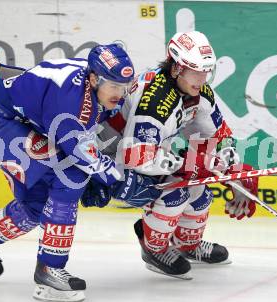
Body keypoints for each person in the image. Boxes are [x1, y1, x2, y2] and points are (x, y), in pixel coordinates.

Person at [0, 44, 161, 301]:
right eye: (114, 86)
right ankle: (49, 271)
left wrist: (117, 171)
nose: (120, 95)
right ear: (95, 78)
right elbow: (82, 155)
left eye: (124, 86)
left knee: (40, 203)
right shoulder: (69, 102)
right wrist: (119, 180)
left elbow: (94, 139)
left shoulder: (91, 87)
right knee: (70, 177)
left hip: (18, 121)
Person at [97, 31, 259, 280]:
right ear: (175, 69)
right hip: (106, 163)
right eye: (195, 71)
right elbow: (135, 158)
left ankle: (187, 244)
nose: (202, 79)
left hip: (143, 154)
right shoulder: (156, 100)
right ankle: (153, 249)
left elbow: (216, 136)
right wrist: (184, 164)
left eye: (207, 71)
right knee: (176, 193)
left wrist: (232, 169)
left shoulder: (197, 92)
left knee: (200, 192)